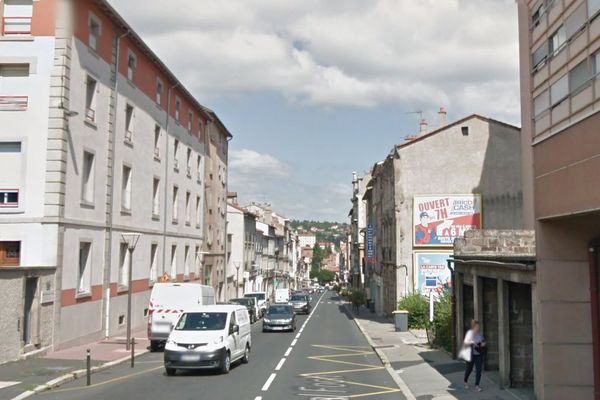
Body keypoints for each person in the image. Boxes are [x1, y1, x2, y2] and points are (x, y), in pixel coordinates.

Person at [463, 320, 486, 392]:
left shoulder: (480, 334)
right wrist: (472, 342)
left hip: (479, 355)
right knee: (469, 370)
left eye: (478, 327)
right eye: (477, 326)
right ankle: (465, 380)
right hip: (470, 355)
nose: (478, 328)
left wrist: (483, 344)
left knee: (479, 370)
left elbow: (484, 341)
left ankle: (477, 385)